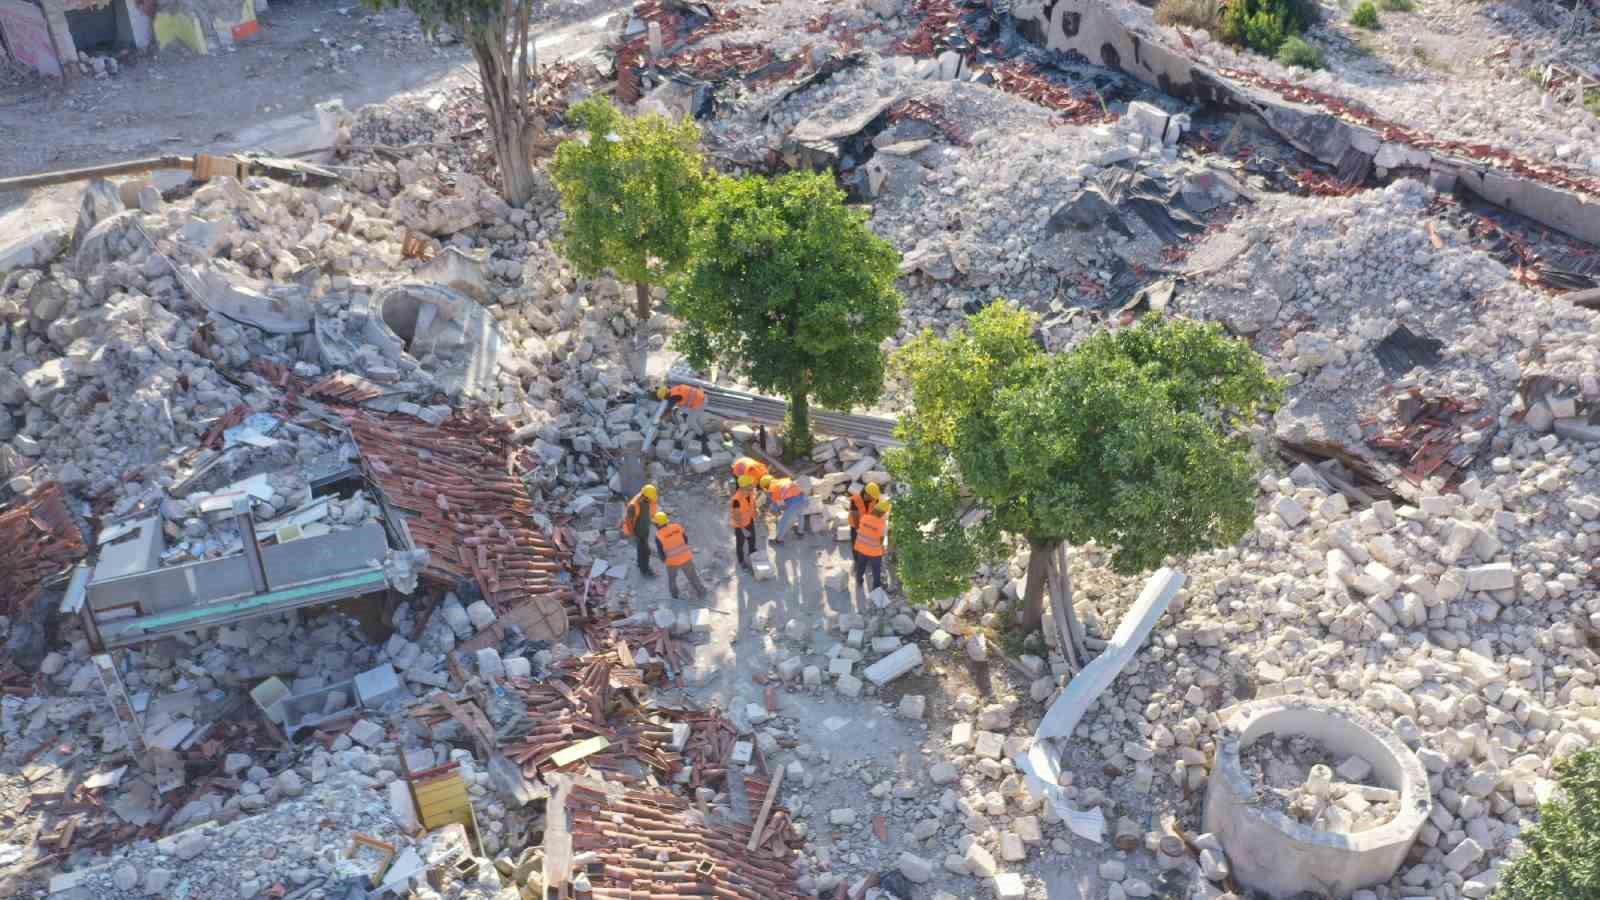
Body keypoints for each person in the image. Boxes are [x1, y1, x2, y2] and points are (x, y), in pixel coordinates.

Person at [653, 512, 707, 601]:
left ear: (658, 524)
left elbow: (660, 552)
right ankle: (701, 591)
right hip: (685, 557)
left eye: (655, 523)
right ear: (666, 521)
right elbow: (685, 539)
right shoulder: (677, 526)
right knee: (692, 576)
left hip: (671, 561)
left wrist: (664, 560)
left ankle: (675, 596)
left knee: (672, 579)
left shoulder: (658, 535)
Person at [621, 484, 659, 577]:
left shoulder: (646, 498)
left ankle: (639, 562)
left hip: (645, 528)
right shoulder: (633, 506)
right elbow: (628, 522)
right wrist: (633, 535)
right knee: (645, 551)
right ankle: (645, 570)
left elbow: (651, 511)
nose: (651, 500)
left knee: (641, 549)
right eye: (650, 499)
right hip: (638, 532)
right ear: (645, 496)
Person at [853, 499, 889, 594]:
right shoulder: (882, 524)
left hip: (861, 548)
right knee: (876, 571)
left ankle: (859, 581)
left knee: (861, 566)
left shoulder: (864, 517)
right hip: (874, 552)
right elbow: (881, 540)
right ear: (883, 513)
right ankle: (876, 590)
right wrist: (882, 548)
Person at [760, 474, 807, 545]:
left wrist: (775, 511)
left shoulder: (774, 489)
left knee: (783, 522)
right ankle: (800, 532)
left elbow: (779, 505)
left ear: (766, 485)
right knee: (800, 515)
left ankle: (778, 540)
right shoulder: (783, 480)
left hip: (793, 504)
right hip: (803, 499)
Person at [730, 475, 758, 572]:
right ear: (744, 486)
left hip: (750, 521)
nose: (752, 485)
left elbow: (753, 505)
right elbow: (736, 517)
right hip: (740, 526)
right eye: (750, 484)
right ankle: (741, 561)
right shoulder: (736, 500)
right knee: (740, 544)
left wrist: (755, 513)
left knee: (752, 539)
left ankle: (752, 552)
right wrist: (743, 529)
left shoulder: (750, 493)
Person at [845, 481, 882, 546]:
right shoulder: (856, 499)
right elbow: (855, 516)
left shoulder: (874, 499)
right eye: (872, 497)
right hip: (856, 526)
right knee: (856, 546)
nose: (874, 499)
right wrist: (859, 530)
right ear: (867, 494)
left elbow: (878, 512)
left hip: (868, 525)